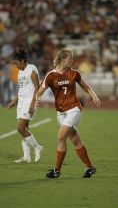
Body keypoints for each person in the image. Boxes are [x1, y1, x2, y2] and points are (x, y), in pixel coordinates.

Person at [35, 48, 101, 178]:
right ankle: (90, 167)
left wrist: (94, 96)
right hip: (61, 112)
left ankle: (56, 170)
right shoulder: (50, 75)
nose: (72, 60)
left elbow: (85, 86)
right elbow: (39, 91)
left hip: (74, 109)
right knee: (75, 140)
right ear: (63, 59)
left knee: (60, 137)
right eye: (70, 58)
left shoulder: (74, 73)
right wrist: (37, 100)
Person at [8, 49, 43, 163]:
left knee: (20, 128)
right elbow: (21, 89)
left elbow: (37, 88)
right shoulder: (20, 71)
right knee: (25, 130)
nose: (15, 65)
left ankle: (37, 147)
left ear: (23, 61)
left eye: (16, 63)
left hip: (29, 102)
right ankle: (26, 157)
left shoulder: (31, 70)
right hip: (21, 102)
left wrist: (32, 105)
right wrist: (14, 101)